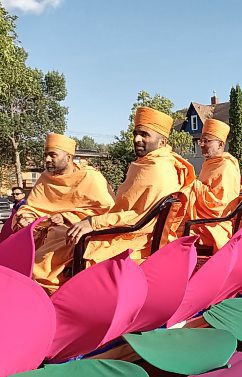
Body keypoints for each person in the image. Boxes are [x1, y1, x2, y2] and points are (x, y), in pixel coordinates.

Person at [67, 107, 196, 280]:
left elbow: (140, 218)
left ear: (162, 142)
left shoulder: (158, 168)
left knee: (64, 241)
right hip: (131, 227)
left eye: (144, 134)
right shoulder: (149, 164)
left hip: (138, 238)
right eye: (135, 133)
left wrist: (95, 222)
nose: (137, 139)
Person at [13, 133, 115, 293]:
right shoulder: (44, 178)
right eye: (45, 155)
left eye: (52, 155)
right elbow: (31, 206)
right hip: (40, 230)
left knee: (54, 242)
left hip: (71, 231)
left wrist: (66, 216)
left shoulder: (90, 177)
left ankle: (46, 293)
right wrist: (26, 216)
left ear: (69, 157)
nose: (47, 159)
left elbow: (105, 210)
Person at [186, 119, 242, 251]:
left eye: (207, 141)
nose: (202, 144)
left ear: (220, 144)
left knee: (168, 231)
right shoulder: (209, 164)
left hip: (214, 226)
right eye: (201, 141)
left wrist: (192, 184)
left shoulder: (226, 166)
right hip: (202, 220)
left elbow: (218, 206)